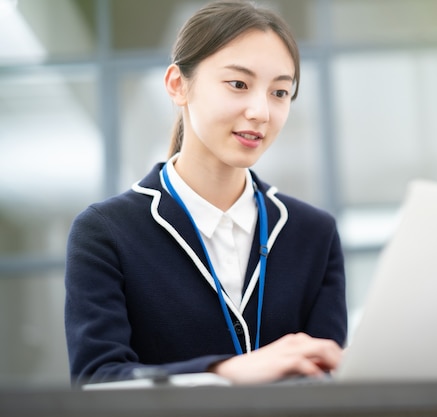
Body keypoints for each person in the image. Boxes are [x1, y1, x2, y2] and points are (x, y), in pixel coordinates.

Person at [64, 0, 347, 386]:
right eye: (238, 84)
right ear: (178, 85)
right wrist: (224, 373)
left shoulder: (314, 234)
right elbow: (98, 380)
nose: (261, 111)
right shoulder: (106, 233)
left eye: (280, 92)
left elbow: (329, 384)